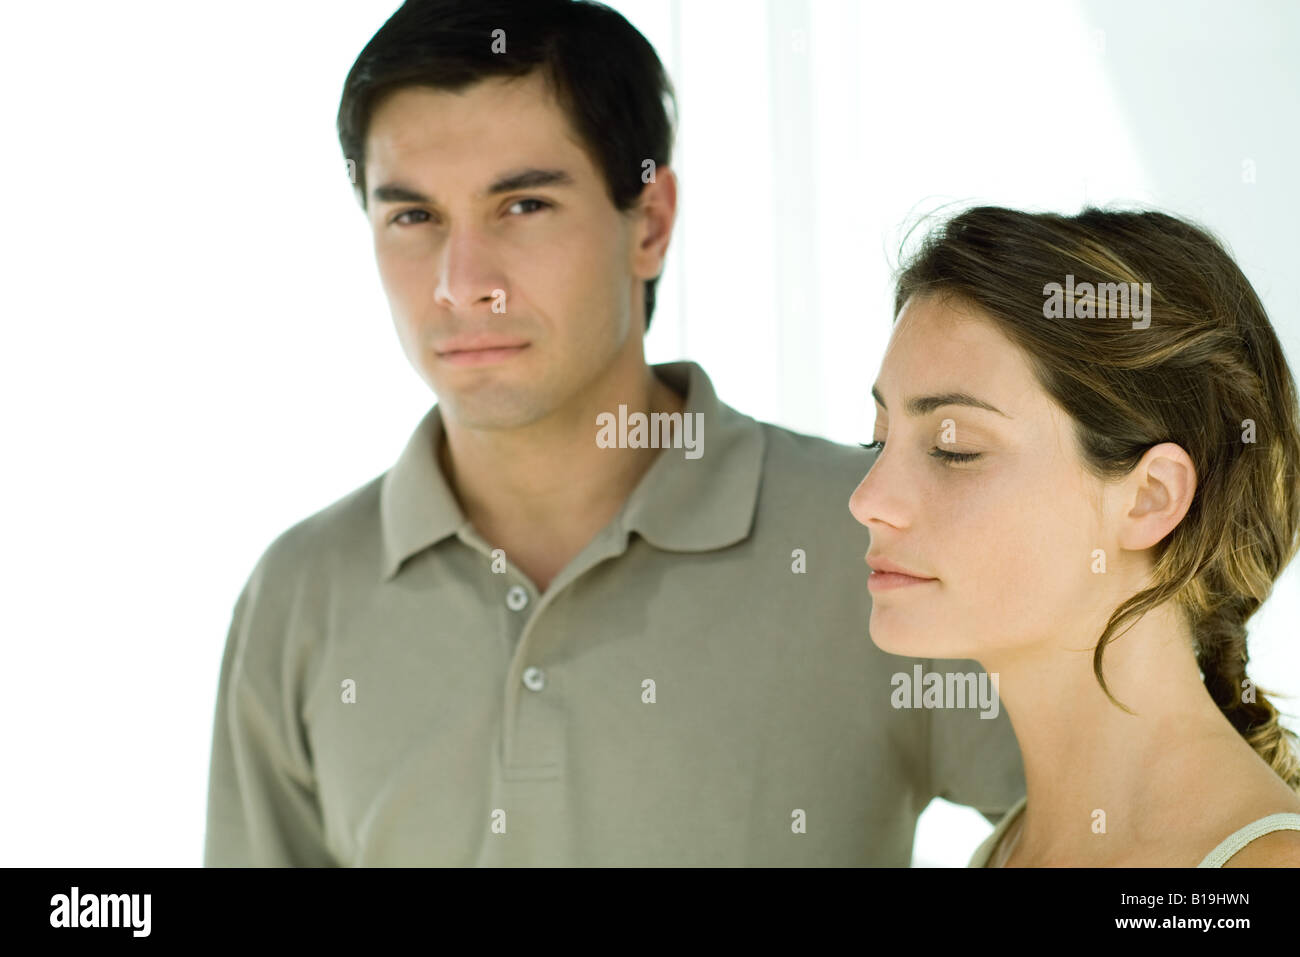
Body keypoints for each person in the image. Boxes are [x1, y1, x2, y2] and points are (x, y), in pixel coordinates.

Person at [201, 0, 1024, 866]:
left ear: (651, 223)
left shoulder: (877, 539)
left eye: (521, 205)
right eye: (413, 216)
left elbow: (1143, 832)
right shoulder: (299, 595)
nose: (461, 283)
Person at [850, 205, 1300, 867]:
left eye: (954, 447)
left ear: (1151, 498)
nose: (867, 500)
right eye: (879, 440)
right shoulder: (1001, 853)